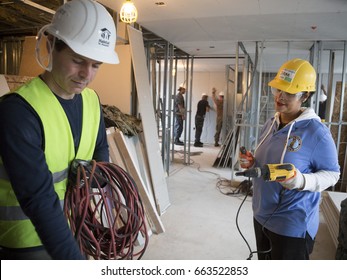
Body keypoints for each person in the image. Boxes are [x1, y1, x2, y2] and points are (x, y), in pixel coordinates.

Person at [0, 0, 119, 260]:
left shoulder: (92, 101)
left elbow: (101, 163)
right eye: (78, 61)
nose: (86, 75)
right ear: (51, 45)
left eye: (96, 65)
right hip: (27, 240)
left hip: (74, 227)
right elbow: (38, 200)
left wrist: (90, 177)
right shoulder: (18, 111)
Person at [239, 58, 340, 260]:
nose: (280, 96)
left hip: (291, 224)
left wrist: (300, 180)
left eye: (290, 92)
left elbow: (332, 174)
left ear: (305, 96)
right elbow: (265, 158)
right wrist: (251, 162)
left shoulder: (316, 132)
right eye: (278, 89)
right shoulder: (270, 122)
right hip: (261, 212)